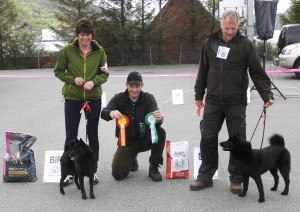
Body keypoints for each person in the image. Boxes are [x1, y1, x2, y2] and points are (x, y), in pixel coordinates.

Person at [190, 10, 275, 193]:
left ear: (238, 27)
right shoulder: (210, 43)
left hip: (236, 102)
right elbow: (203, 70)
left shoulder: (245, 45)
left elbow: (257, 72)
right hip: (212, 100)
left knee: (238, 142)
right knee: (207, 138)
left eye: (233, 28)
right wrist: (199, 94)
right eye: (227, 28)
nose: (229, 32)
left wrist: (266, 94)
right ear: (221, 25)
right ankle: (205, 175)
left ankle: (236, 178)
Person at [54, 18, 108, 186]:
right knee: (71, 136)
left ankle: (92, 170)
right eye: (82, 35)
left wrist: (94, 81)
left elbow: (104, 73)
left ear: (92, 35)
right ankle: (70, 172)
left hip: (93, 99)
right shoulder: (67, 51)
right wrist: (72, 79)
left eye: (88, 35)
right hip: (72, 98)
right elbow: (58, 71)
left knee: (92, 135)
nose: (85, 39)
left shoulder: (99, 51)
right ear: (77, 35)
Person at [101, 71, 166, 182]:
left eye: (137, 86)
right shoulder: (119, 98)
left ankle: (154, 166)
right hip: (127, 143)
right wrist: (110, 113)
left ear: (142, 85)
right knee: (118, 174)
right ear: (126, 85)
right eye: (131, 86)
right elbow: (104, 112)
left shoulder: (148, 98)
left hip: (144, 139)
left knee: (160, 132)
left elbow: (155, 117)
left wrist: (159, 118)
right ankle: (132, 159)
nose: (134, 90)